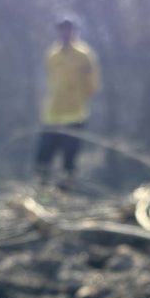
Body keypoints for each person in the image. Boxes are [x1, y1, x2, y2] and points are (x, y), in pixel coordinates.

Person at [36, 17, 100, 187]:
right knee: (44, 155)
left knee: (69, 156)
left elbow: (92, 84)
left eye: (68, 30)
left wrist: (77, 95)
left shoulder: (84, 55)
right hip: (52, 114)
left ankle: (65, 193)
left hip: (74, 113)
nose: (64, 34)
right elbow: (48, 81)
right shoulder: (52, 55)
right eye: (61, 30)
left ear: (75, 32)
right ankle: (43, 190)